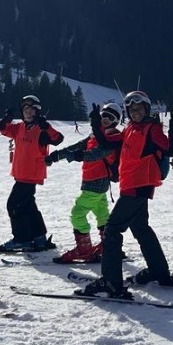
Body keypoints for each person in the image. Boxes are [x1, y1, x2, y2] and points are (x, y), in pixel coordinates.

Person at [80, 90, 173, 299]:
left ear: (147, 109)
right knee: (141, 229)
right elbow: (107, 143)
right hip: (132, 186)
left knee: (111, 231)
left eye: (139, 108)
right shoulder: (129, 129)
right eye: (132, 109)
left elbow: (171, 150)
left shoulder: (151, 129)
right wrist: (96, 124)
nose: (136, 112)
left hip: (137, 187)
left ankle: (111, 283)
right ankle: (158, 271)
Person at [46, 103, 123, 263]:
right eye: (104, 115)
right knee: (101, 212)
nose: (106, 119)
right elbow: (76, 147)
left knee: (78, 213)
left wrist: (78, 156)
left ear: (116, 121)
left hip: (96, 182)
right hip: (93, 180)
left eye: (110, 117)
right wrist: (56, 156)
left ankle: (84, 250)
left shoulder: (113, 138)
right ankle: (108, 245)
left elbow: (96, 154)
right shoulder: (96, 135)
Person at [0, 96, 65, 252]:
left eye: (31, 110)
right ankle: (39, 237)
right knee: (28, 206)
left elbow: (58, 139)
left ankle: (22, 239)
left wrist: (46, 126)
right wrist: (7, 119)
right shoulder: (19, 127)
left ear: (37, 111)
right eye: (25, 110)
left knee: (13, 205)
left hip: (31, 174)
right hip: (21, 174)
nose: (28, 112)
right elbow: (3, 129)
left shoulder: (41, 130)